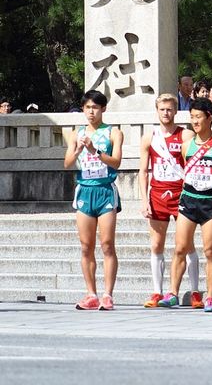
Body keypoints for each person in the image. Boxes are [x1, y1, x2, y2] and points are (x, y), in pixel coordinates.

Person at [167, 97, 212, 312]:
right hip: (188, 199)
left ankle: (211, 297)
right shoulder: (186, 145)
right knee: (180, 247)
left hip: (209, 202)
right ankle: (173, 293)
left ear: (209, 118)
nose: (195, 121)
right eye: (192, 117)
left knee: (210, 249)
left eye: (198, 117)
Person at [137, 93, 200, 308]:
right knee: (157, 244)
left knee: (186, 244)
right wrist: (143, 199)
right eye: (162, 109)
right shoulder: (149, 137)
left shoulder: (186, 135)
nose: (166, 113)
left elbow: (193, 164)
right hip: (158, 193)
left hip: (181, 192)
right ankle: (157, 291)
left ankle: (194, 291)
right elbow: (143, 170)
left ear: (176, 111)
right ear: (157, 111)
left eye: (170, 109)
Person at [64, 90, 123, 311]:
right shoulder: (76, 134)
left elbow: (116, 161)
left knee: (107, 244)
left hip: (105, 190)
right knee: (86, 246)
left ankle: (108, 294)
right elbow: (67, 163)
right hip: (85, 191)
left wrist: (94, 150)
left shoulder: (113, 133)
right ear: (83, 109)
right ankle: (91, 293)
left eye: (95, 107)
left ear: (103, 109)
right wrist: (79, 149)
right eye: (88, 107)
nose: (91, 111)